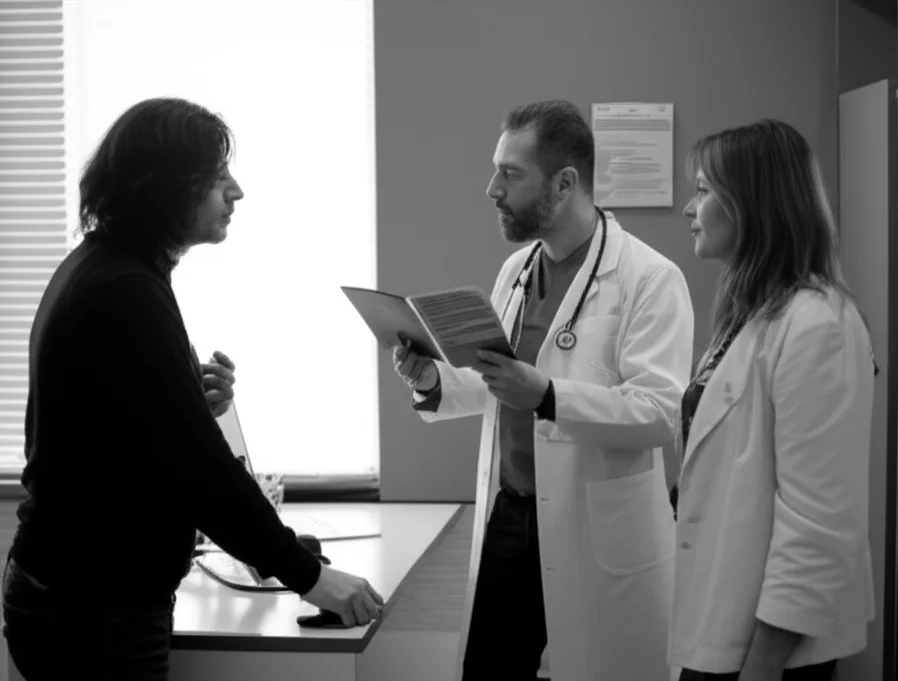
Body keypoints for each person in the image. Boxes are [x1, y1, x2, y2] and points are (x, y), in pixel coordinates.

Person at [1, 97, 384, 681]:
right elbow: (198, 468)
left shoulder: (107, 268)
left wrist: (184, 397)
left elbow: (129, 429)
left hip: (74, 592)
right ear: (165, 188)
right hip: (93, 606)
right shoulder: (125, 288)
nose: (236, 191)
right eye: (215, 177)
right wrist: (309, 577)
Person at [392, 100, 694, 681]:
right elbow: (499, 384)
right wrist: (433, 381)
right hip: (511, 515)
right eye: (495, 170)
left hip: (592, 523)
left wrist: (550, 396)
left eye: (510, 174)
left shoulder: (650, 278)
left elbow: (660, 414)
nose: (491, 189)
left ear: (564, 182)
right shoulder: (518, 270)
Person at [668, 119, 876, 681]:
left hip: (770, 649)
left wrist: (762, 669)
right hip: (726, 617)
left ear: (753, 203)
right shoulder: (753, 314)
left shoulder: (817, 325)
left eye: (704, 189)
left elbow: (817, 523)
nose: (690, 207)